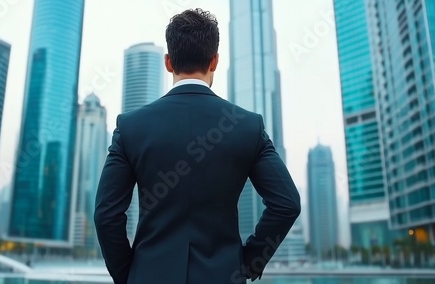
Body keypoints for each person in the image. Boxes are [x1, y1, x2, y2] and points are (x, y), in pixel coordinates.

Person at [94, 8, 301, 284]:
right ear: (214, 61)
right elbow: (287, 204)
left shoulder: (131, 126)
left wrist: (129, 274)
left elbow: (106, 215)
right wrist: (248, 264)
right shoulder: (248, 126)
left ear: (168, 62)